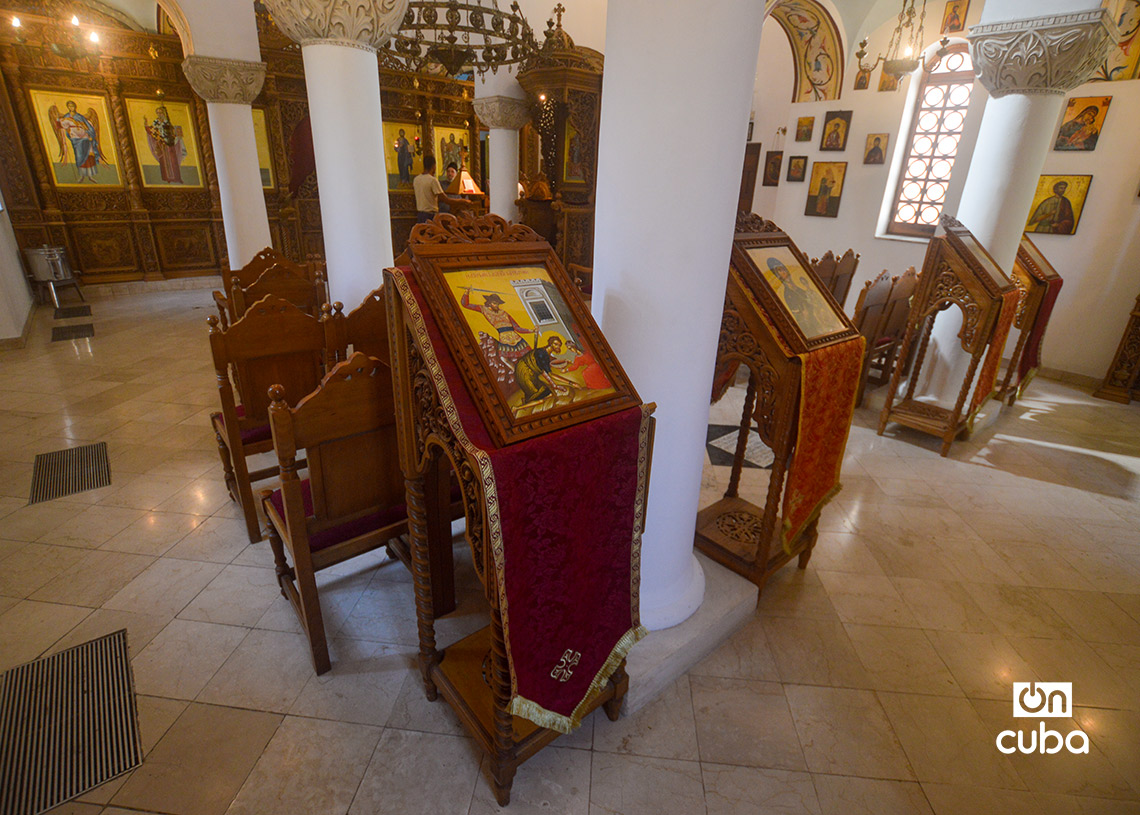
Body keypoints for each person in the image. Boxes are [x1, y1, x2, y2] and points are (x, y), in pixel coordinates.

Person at [461, 289, 531, 365]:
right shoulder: (483, 309)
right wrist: (466, 293)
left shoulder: (504, 313)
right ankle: (515, 370)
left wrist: (531, 330)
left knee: (529, 357)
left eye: (497, 304)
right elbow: (465, 304)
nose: (496, 305)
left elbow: (517, 328)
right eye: (494, 303)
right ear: (489, 303)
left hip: (517, 338)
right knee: (503, 358)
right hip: (504, 339)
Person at [52, 101, 104, 183]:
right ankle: (82, 176)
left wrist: (90, 134)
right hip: (76, 139)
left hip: (85, 137)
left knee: (88, 156)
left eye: (72, 106)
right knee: (79, 156)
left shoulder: (80, 116)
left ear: (75, 107)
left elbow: (88, 126)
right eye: (69, 106)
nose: (71, 108)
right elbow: (60, 126)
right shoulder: (67, 117)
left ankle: (90, 176)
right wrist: (57, 118)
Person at [413, 155, 468, 223]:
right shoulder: (433, 180)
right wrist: (462, 201)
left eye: (452, 172)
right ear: (434, 166)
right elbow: (445, 199)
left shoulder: (416, 179)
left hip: (420, 214)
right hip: (430, 215)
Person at [514, 336, 568, 403]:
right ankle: (519, 407)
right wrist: (569, 383)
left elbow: (544, 370)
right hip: (525, 373)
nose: (558, 347)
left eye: (559, 345)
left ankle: (527, 400)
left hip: (530, 373)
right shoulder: (542, 354)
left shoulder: (544, 352)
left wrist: (554, 385)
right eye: (556, 344)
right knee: (543, 394)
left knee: (547, 391)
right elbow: (548, 374)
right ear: (550, 344)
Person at [143, 105, 186, 184]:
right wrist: (146, 125)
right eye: (158, 113)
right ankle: (167, 178)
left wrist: (176, 134)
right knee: (164, 162)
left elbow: (173, 131)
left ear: (164, 113)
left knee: (173, 160)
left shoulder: (167, 121)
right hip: (161, 144)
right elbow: (152, 131)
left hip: (169, 144)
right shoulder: (156, 122)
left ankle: (177, 178)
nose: (159, 114)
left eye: (161, 112)